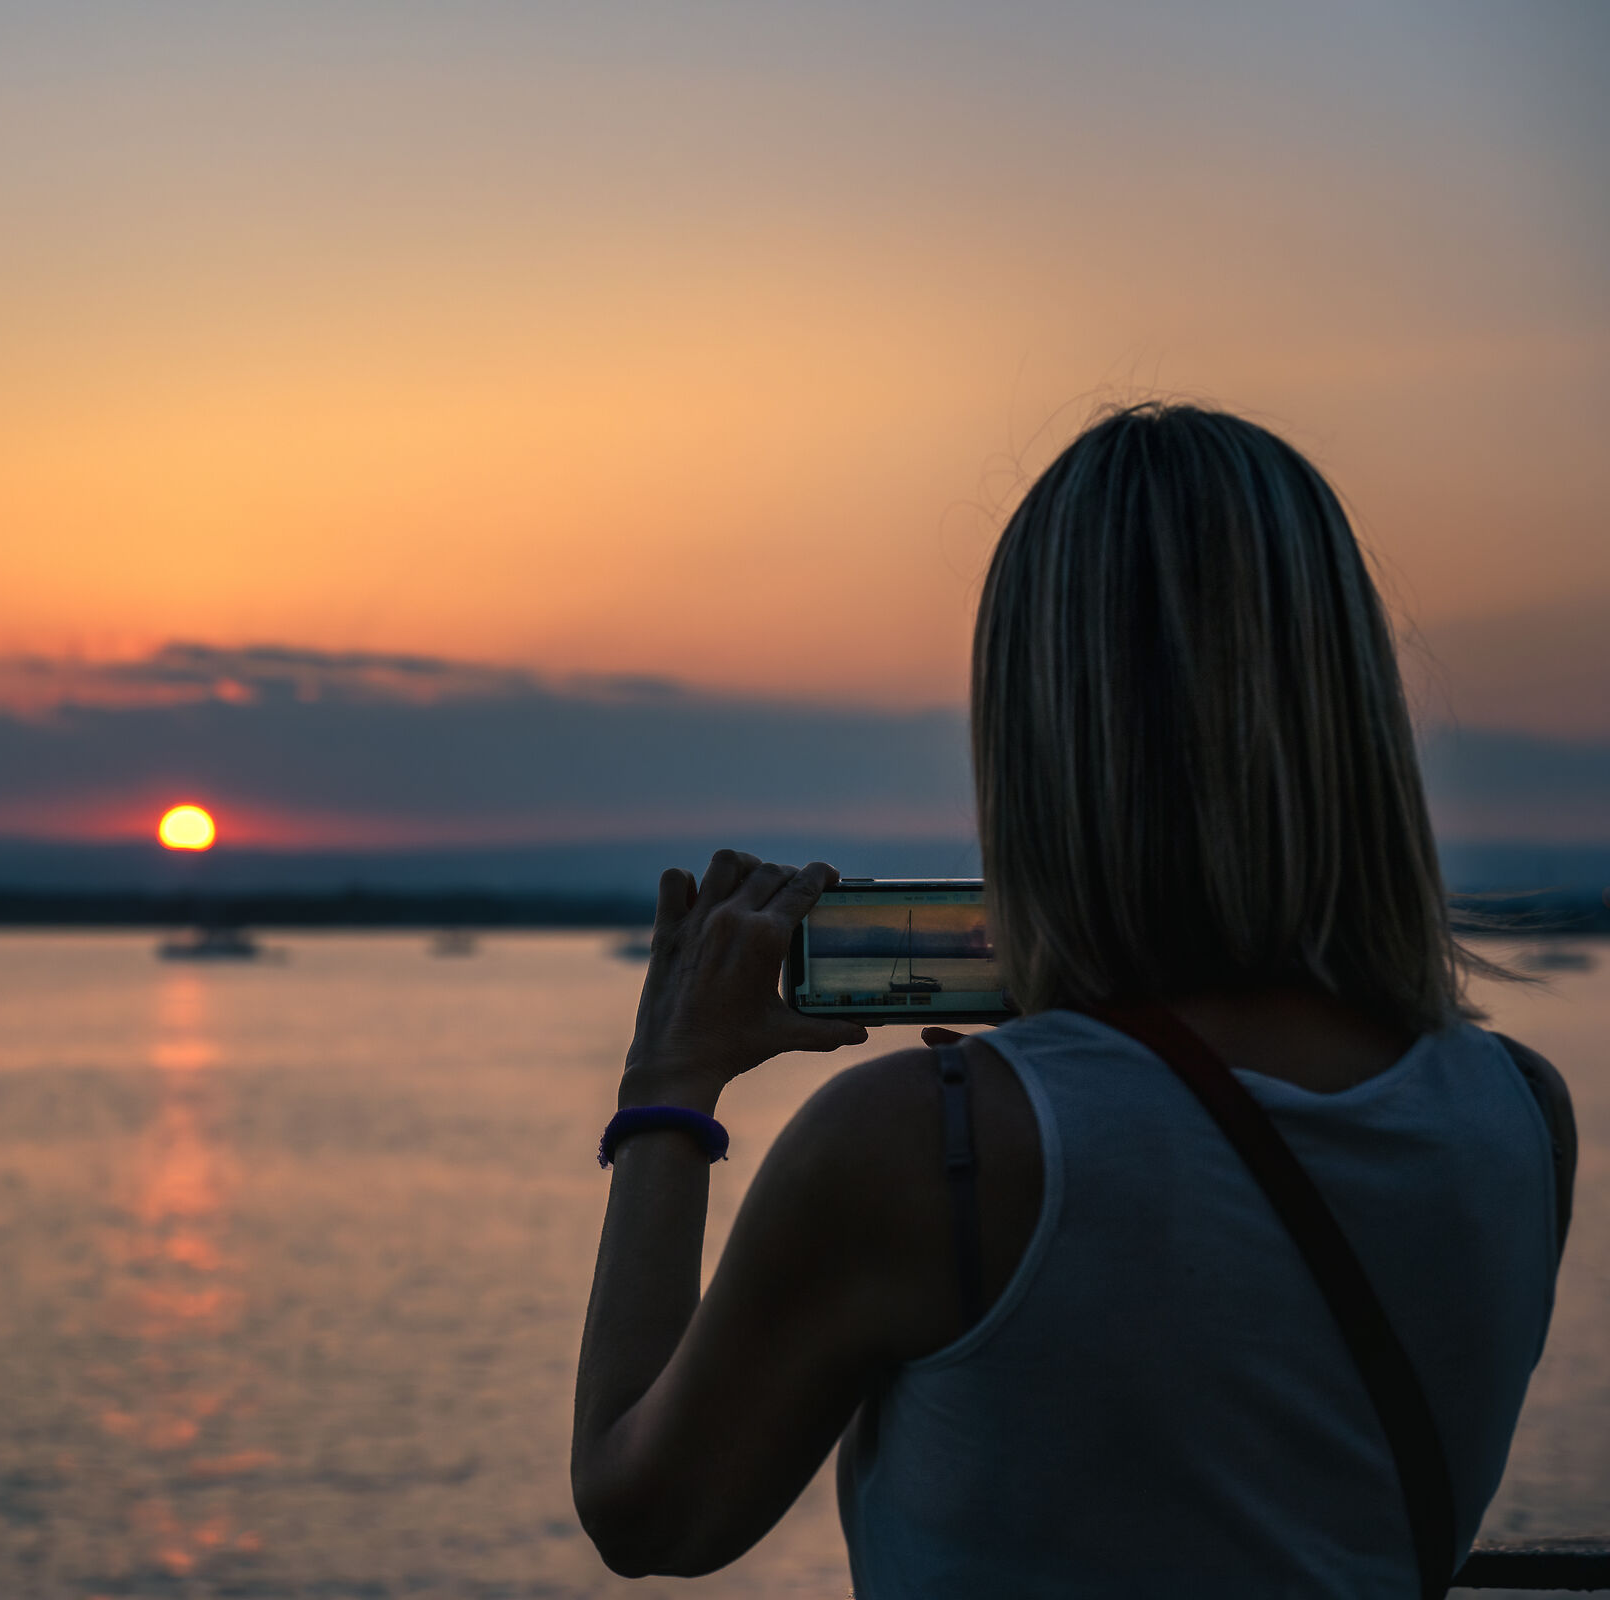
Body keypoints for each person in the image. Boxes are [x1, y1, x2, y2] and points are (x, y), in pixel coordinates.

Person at [570, 403, 1577, 1596]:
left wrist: (667, 1092)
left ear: (1030, 727)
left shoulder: (929, 1149)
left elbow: (644, 1514)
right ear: (1348, 710)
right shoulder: (1519, 1114)